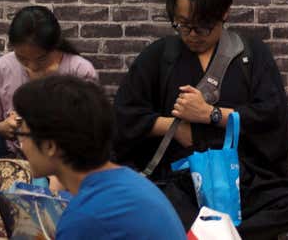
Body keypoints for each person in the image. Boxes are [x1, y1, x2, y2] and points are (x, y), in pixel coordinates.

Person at [111, 0, 288, 240]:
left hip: (243, 178)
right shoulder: (160, 56)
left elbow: (272, 117)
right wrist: (173, 127)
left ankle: (222, 234)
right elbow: (124, 117)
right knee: (159, 214)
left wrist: (211, 114)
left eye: (203, 26)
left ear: (224, 13)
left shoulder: (251, 55)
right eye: (182, 25)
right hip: (182, 180)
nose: (192, 35)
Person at [12, 74, 186, 240]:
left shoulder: (86, 217)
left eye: (22, 134)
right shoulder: (127, 182)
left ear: (50, 146)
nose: (21, 144)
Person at [0, 5, 98, 181]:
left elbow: (87, 135)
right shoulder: (1, 68)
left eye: (41, 59)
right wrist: (2, 128)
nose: (31, 66)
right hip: (6, 159)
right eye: (22, 58)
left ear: (55, 46)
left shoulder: (79, 71)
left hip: (56, 162)